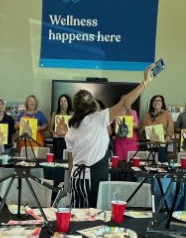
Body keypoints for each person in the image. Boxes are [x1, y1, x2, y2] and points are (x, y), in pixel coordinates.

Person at [66, 65, 155, 207]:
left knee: (78, 213)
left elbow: (71, 162)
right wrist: (145, 82)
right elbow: (125, 103)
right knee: (93, 216)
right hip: (94, 177)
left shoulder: (71, 129)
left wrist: (71, 181)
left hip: (77, 178)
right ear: (93, 104)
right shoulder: (99, 118)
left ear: (74, 108)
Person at [137, 94, 175, 162]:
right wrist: (145, 130)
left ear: (162, 103)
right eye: (154, 101)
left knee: (161, 165)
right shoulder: (147, 115)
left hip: (161, 145)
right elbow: (141, 130)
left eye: (159, 101)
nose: (156, 102)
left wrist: (165, 141)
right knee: (148, 164)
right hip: (149, 144)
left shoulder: (167, 114)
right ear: (152, 103)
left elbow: (170, 131)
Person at [50, 94, 72, 162]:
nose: (63, 103)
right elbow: (50, 128)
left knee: (67, 160)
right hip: (57, 141)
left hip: (68, 141)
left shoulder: (72, 114)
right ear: (59, 103)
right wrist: (53, 132)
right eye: (61, 101)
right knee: (57, 160)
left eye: (65, 101)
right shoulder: (55, 114)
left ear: (68, 102)